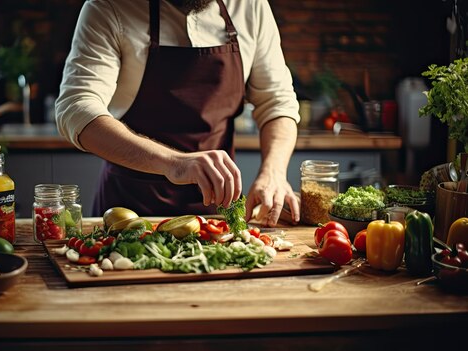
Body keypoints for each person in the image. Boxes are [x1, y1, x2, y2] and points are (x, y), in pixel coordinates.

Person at [55, 0, 300, 227]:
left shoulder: (250, 6)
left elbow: (277, 102)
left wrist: (274, 173)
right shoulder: (109, 7)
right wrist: (174, 163)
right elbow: (76, 107)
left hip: (218, 211)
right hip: (129, 211)